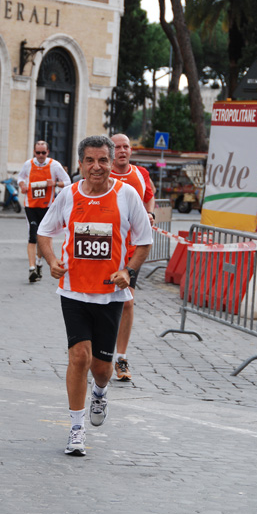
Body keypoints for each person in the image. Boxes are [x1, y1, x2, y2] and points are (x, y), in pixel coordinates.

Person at [37, 135, 152, 456]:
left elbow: (145, 241)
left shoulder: (127, 195)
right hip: (73, 291)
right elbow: (45, 232)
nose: (97, 166)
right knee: (79, 357)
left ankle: (100, 393)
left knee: (101, 368)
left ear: (111, 162)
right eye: (90, 160)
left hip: (110, 295)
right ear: (80, 164)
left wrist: (128, 271)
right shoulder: (68, 195)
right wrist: (52, 261)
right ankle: (76, 428)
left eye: (103, 160)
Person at [110, 133, 156, 382]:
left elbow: (149, 196)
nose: (122, 150)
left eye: (126, 146)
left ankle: (121, 358)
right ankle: (97, 353)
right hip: (106, 248)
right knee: (101, 303)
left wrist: (150, 215)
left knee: (127, 302)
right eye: (117, 147)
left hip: (131, 251)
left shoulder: (140, 174)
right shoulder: (102, 172)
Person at [17, 140, 71, 283]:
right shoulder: (28, 164)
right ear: (34, 152)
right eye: (38, 152)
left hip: (48, 207)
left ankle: (40, 262)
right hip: (31, 205)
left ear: (48, 152)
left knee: (44, 236)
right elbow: (20, 177)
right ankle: (31, 268)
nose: (40, 155)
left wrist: (55, 183)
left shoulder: (54, 165)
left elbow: (68, 181)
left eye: (43, 152)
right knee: (32, 235)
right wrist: (22, 185)